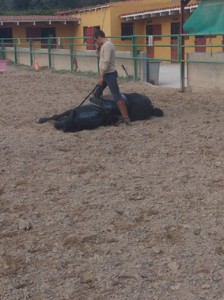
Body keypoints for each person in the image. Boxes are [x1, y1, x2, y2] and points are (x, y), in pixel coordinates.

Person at [92, 30, 130, 125]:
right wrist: (98, 48)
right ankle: (100, 111)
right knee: (97, 93)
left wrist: (101, 76)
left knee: (117, 95)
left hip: (109, 75)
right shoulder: (104, 46)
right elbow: (101, 58)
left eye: (96, 40)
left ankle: (126, 118)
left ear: (99, 37)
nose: (96, 42)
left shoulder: (108, 45)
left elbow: (107, 62)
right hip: (106, 74)